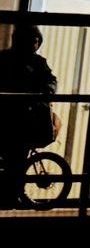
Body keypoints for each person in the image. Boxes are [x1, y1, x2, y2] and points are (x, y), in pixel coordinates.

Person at [0, 25, 58, 206]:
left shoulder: (7, 58)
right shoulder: (36, 63)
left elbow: (51, 83)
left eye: (36, 41)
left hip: (14, 117)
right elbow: (51, 82)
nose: (35, 44)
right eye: (33, 40)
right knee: (16, 158)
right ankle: (12, 194)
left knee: (15, 157)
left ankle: (11, 194)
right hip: (21, 117)